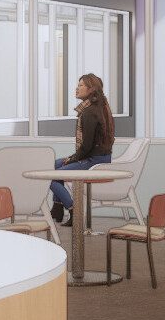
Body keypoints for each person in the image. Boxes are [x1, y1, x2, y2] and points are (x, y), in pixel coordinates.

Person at [48, 73, 116, 226]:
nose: (76, 88)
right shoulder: (98, 107)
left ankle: (73, 210)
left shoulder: (89, 112)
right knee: (52, 166)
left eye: (81, 85)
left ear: (91, 89)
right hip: (99, 156)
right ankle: (57, 209)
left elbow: (87, 146)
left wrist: (72, 158)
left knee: (51, 175)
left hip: (94, 159)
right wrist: (72, 158)